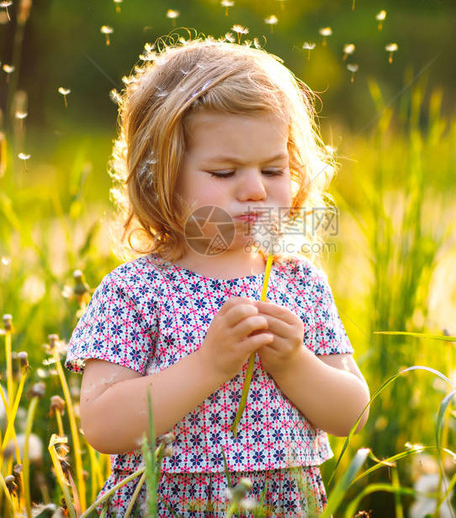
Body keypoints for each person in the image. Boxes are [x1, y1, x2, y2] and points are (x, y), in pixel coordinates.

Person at [65, 37, 370, 516]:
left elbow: (351, 414)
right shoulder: (137, 290)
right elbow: (102, 425)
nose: (254, 190)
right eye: (225, 173)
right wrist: (208, 366)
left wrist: (294, 363)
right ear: (159, 176)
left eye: (273, 169)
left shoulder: (299, 283)